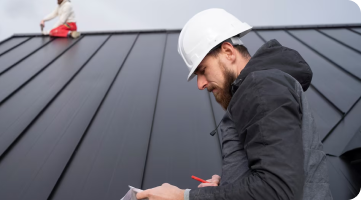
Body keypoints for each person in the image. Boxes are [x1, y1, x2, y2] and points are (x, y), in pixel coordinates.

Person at [136, 8, 332, 200]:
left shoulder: (261, 87)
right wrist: (230, 183)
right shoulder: (259, 91)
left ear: (228, 52)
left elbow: (277, 190)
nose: (200, 84)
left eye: (203, 70)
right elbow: (272, 178)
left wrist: (185, 197)